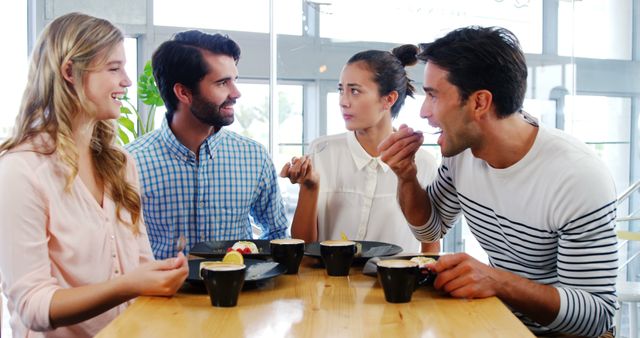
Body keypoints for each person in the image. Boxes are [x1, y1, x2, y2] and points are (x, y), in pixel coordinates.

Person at [378, 26, 617, 337]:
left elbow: (596, 316)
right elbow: (430, 227)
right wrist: (407, 176)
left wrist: (497, 280)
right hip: (500, 321)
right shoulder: (461, 153)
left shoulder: (577, 177)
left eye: (433, 95)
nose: (424, 112)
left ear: (479, 103)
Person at [0, 13, 188, 337]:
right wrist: (127, 285)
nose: (127, 81)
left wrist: (160, 275)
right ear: (70, 71)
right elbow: (32, 306)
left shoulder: (121, 164)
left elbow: (140, 265)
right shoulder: (21, 171)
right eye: (114, 68)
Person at [126, 30, 288, 260]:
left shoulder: (253, 157)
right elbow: (121, 250)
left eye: (234, 80)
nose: (236, 93)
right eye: (222, 83)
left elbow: (276, 235)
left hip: (241, 292)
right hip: (162, 295)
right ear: (183, 92)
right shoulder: (132, 162)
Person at [280, 46, 439, 253]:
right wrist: (309, 188)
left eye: (354, 91)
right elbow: (304, 247)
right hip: (331, 284)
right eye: (341, 90)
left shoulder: (423, 162)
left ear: (388, 99)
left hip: (393, 283)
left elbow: (430, 247)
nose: (343, 102)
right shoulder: (322, 151)